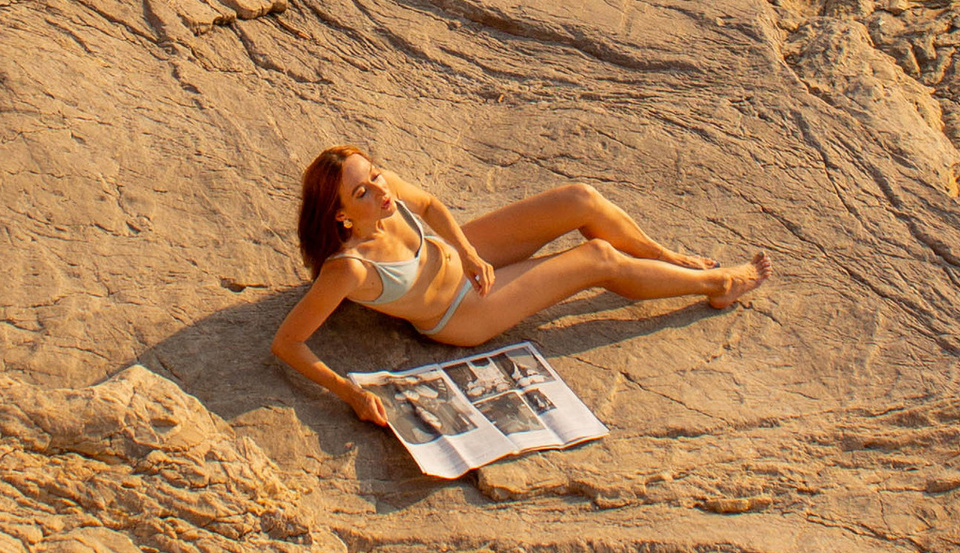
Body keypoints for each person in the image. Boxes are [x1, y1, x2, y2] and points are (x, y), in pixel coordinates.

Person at [272, 146, 767, 435]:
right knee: (598, 260)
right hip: (461, 312)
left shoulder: (386, 192)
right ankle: (719, 284)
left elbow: (432, 207)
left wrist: (467, 252)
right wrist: (348, 393)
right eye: (363, 192)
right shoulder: (349, 270)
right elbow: (287, 343)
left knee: (580, 199)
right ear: (341, 215)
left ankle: (659, 254)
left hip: (466, 264)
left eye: (376, 176)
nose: (382, 191)